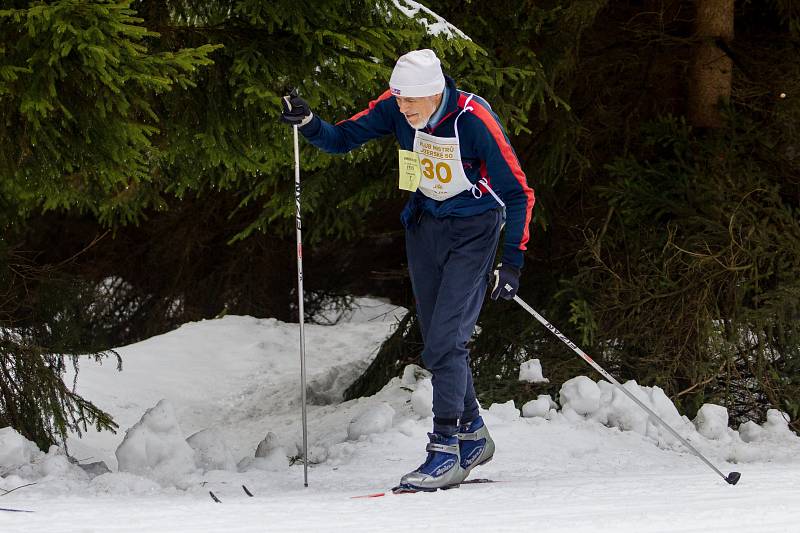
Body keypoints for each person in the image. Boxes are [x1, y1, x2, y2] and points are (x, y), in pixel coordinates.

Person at [281, 49, 534, 492]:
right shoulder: (397, 107)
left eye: (410, 102)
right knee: (439, 334)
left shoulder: (474, 120)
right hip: (425, 226)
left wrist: (511, 261)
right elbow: (342, 139)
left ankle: (445, 450)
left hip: (473, 230)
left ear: (435, 92)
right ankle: (473, 435)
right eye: (399, 102)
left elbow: (518, 194)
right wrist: (309, 123)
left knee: (444, 341)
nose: (403, 110)